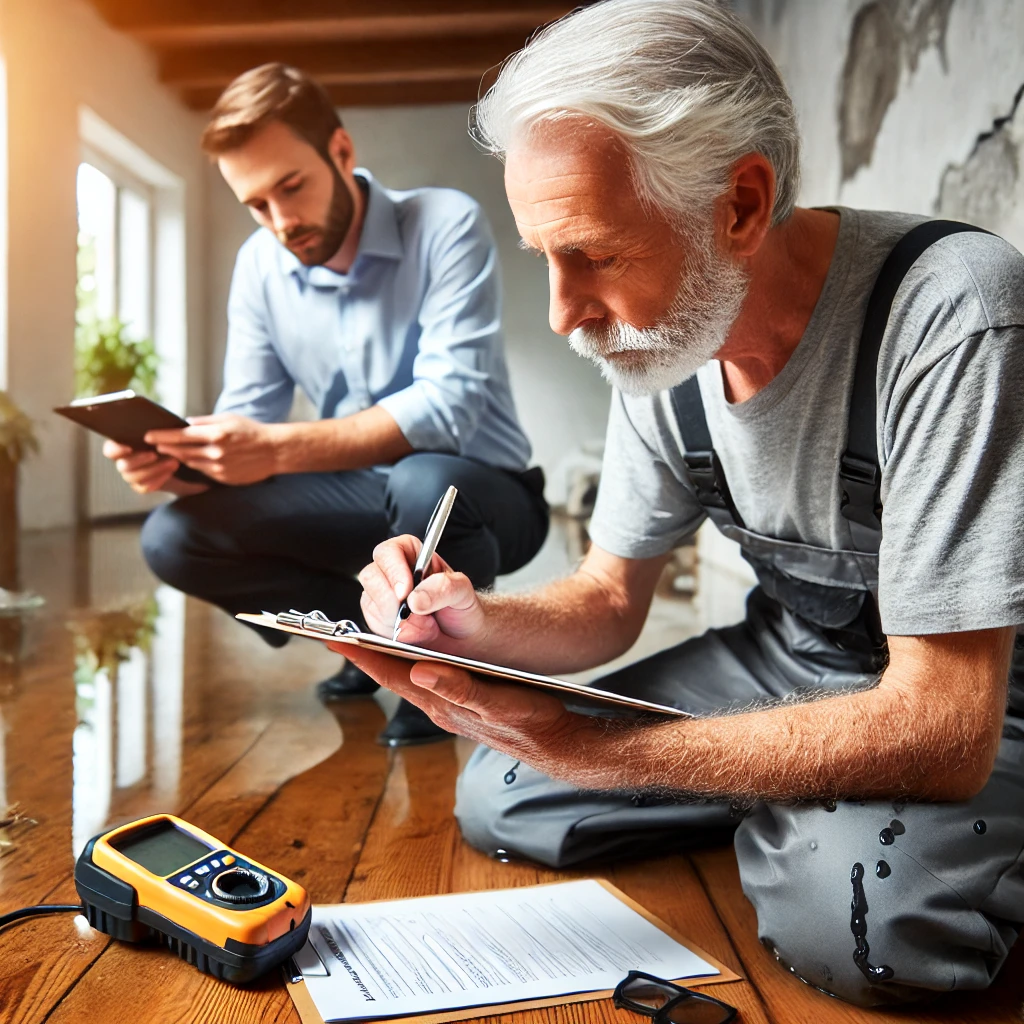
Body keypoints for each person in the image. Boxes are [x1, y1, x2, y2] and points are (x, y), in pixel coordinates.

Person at [343, 0, 1024, 1008]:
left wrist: (605, 750)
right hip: (797, 655)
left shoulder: (954, 313)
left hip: (983, 691)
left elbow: (945, 719)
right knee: (504, 789)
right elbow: (609, 595)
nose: (564, 315)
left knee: (869, 915)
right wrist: (469, 619)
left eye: (595, 255)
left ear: (741, 203)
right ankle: (800, 794)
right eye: (545, 259)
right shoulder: (661, 356)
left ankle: (823, 821)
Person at [104, 64, 549, 746]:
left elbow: (447, 407)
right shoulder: (259, 267)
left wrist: (276, 448)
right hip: (359, 497)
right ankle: (377, 646)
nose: (280, 222)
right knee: (173, 536)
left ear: (341, 152)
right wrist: (184, 462)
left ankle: (446, 677)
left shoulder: (443, 222)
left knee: (423, 475)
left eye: (291, 187)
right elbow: (248, 417)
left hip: (483, 497)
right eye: (256, 205)